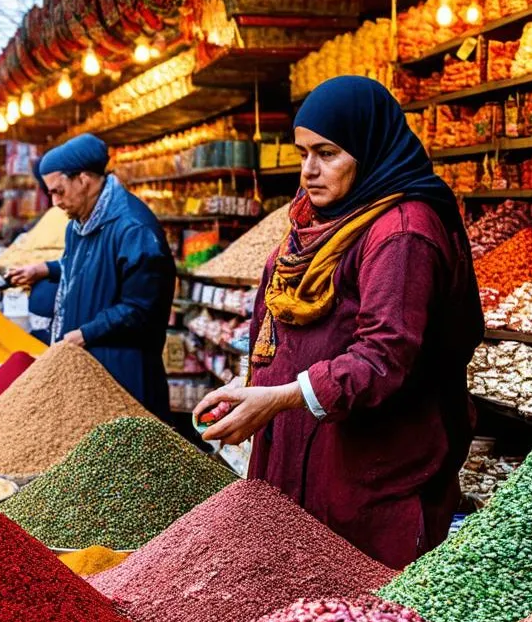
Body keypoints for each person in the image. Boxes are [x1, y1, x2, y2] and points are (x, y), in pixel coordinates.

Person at [194, 76, 483, 569]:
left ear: (369, 151)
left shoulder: (401, 232)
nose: (309, 170)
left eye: (327, 154)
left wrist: (278, 397)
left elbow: (382, 358)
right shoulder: (313, 221)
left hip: (367, 477)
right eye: (303, 153)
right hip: (300, 459)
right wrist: (257, 395)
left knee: (361, 621)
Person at [8, 133, 175, 416]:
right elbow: (87, 267)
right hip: (89, 367)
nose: (54, 202)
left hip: (124, 373)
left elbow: (140, 309)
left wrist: (86, 333)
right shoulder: (82, 221)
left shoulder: (133, 228)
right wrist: (46, 269)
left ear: (84, 179)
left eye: (58, 191)